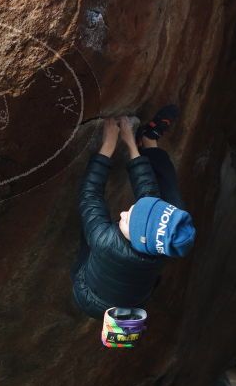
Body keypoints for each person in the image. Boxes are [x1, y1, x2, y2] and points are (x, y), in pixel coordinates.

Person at [71, 106, 196, 319]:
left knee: (91, 227)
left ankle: (88, 248)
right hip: (133, 299)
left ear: (139, 238)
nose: (123, 213)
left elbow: (90, 196)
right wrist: (131, 145)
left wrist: (108, 146)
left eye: (129, 219)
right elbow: (148, 195)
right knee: (175, 205)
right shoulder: (163, 247)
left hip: (89, 296)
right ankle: (147, 141)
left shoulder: (106, 242)